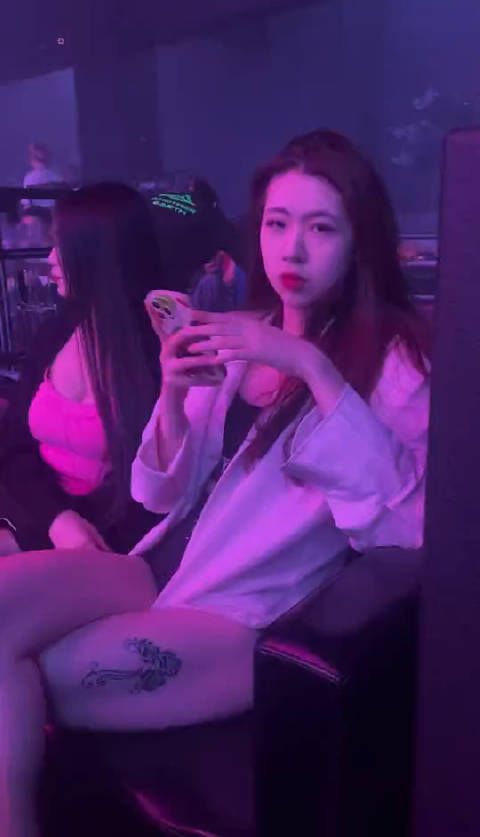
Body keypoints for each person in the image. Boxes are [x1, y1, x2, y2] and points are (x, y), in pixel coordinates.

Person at [0, 130, 430, 836]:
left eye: (321, 228)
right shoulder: (240, 332)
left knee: (30, 672)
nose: (292, 250)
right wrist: (173, 394)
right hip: (154, 567)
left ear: (360, 240)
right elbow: (159, 496)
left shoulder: (398, 364)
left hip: (242, 618)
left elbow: (406, 530)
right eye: (277, 224)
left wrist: (312, 367)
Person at [0, 183, 162, 557]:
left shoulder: (156, 353)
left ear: (97, 254)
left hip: (110, 542)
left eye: (62, 246)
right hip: (38, 512)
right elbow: (16, 449)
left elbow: (152, 500)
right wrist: (55, 520)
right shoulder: (56, 331)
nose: (51, 259)